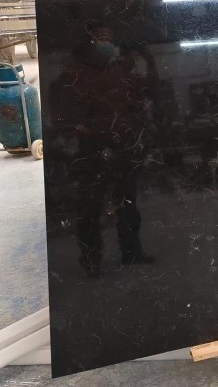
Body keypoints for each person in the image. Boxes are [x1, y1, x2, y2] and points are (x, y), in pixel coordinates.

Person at [53, 23, 157, 279]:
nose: (107, 44)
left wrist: (149, 60)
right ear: (89, 42)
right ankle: (92, 261)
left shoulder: (119, 72)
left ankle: (132, 251)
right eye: (102, 39)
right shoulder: (74, 74)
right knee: (90, 208)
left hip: (122, 146)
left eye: (110, 39)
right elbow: (62, 115)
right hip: (93, 148)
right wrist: (80, 131)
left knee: (128, 203)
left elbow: (146, 94)